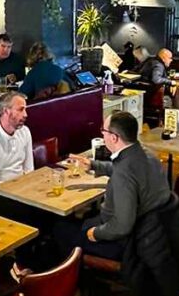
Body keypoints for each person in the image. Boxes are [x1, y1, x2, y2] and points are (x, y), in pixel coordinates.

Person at [60, 111, 170, 259]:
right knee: (84, 218)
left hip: (127, 244)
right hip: (155, 233)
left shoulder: (123, 173)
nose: (102, 135)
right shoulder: (148, 155)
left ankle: (71, 277)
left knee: (60, 229)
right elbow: (127, 169)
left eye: (103, 131)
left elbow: (122, 226)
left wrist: (95, 233)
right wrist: (93, 165)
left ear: (114, 137)